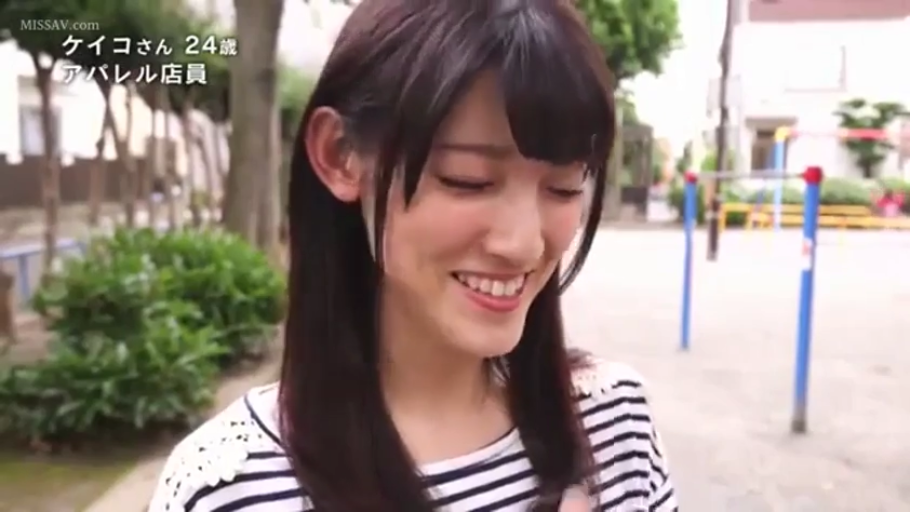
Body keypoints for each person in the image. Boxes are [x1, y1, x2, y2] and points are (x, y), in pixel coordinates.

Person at [148, 1, 677, 510]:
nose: (523, 243)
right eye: (468, 180)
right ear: (340, 155)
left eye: (564, 187)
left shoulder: (614, 426)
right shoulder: (230, 487)